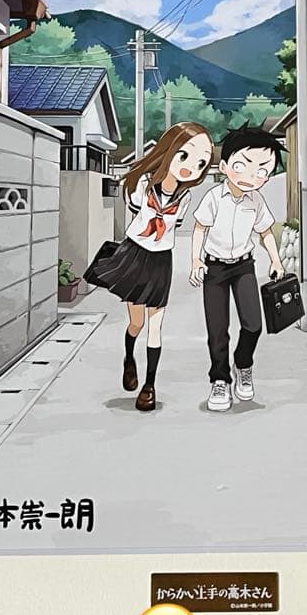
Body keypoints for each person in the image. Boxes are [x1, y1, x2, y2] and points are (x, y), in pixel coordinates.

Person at [85, 122, 214, 412]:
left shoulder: (185, 198)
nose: (191, 167)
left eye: (200, 163)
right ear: (169, 151)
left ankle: (149, 386)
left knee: (155, 327)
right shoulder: (142, 185)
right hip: (135, 254)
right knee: (137, 324)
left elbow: (173, 227)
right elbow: (136, 212)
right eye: (184, 156)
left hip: (161, 260)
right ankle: (129, 358)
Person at [189, 124, 284, 412]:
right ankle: (220, 380)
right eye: (243, 166)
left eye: (262, 170)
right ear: (225, 166)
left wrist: (275, 260)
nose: (252, 176)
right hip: (215, 269)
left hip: (244, 266)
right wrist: (196, 260)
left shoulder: (257, 201)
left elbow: (266, 232)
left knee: (253, 325)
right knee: (217, 331)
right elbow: (199, 228)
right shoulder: (213, 198)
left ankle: (243, 365)